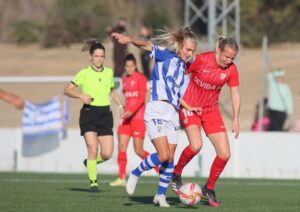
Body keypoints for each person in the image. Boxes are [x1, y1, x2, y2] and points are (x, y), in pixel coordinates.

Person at [111, 27, 197, 207]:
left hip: (172, 113)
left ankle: (160, 195)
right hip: (157, 109)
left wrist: (190, 107)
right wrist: (129, 39)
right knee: (163, 154)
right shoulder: (165, 55)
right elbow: (147, 45)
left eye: (193, 51)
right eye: (188, 49)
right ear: (180, 46)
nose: (190, 54)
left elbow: (176, 93)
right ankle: (136, 172)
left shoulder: (183, 66)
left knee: (170, 157)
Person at [171, 37, 241, 207]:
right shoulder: (202, 60)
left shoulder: (231, 70)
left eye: (232, 58)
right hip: (190, 107)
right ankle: (176, 173)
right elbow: (178, 74)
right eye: (227, 57)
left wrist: (236, 119)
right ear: (219, 51)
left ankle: (209, 188)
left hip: (211, 111)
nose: (229, 61)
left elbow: (235, 94)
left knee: (225, 154)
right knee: (196, 145)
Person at [64, 41, 123, 192]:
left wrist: (120, 105)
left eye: (102, 56)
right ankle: (93, 182)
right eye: (96, 56)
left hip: (105, 114)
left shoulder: (109, 72)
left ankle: (90, 162)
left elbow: (112, 90)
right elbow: (67, 90)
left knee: (107, 153)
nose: (99, 59)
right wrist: (81, 96)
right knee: (93, 147)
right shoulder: (84, 73)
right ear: (90, 57)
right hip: (89, 113)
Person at [109, 53, 159, 187]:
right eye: (127, 66)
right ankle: (121, 178)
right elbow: (127, 99)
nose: (129, 68)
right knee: (121, 147)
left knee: (139, 150)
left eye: (131, 66)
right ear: (125, 67)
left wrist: (131, 112)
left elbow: (141, 99)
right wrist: (124, 110)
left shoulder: (141, 78)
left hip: (137, 119)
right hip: (126, 120)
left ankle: (159, 169)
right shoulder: (124, 79)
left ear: (135, 65)